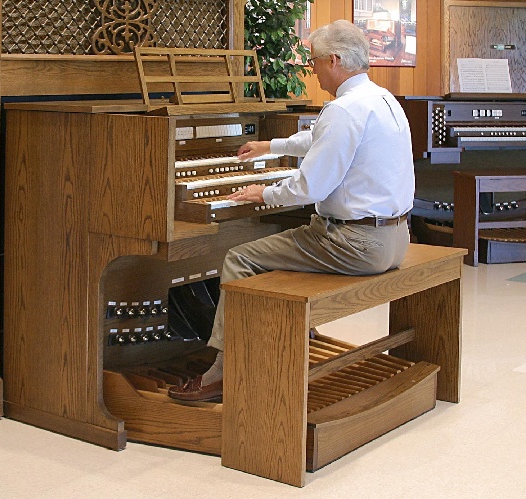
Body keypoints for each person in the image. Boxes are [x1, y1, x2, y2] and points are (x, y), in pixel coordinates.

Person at [168, 19, 414, 402]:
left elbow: (309, 186)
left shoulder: (344, 110)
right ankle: (282, 333)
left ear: (334, 59)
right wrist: (272, 146)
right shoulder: (382, 100)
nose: (312, 70)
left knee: (239, 257)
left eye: (314, 61)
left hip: (356, 243)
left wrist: (263, 192)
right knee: (272, 241)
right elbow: (321, 137)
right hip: (395, 237)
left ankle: (221, 374)